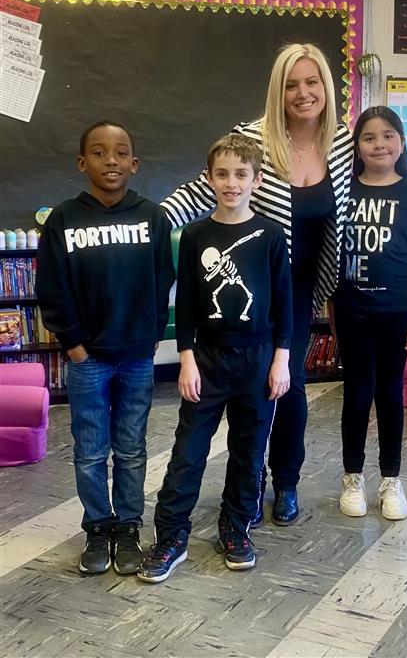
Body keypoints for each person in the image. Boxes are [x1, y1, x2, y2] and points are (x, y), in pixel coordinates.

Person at [160, 43, 353, 525]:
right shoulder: (253, 138)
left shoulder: (343, 143)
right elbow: (205, 188)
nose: (303, 93)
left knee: (289, 387)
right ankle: (251, 481)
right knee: (258, 391)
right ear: (277, 90)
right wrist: (151, 222)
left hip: (304, 288)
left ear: (325, 87)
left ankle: (285, 481)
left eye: (312, 82)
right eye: (291, 84)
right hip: (255, 285)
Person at [137, 133, 292, 582]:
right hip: (205, 358)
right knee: (188, 451)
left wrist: (281, 359)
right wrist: (185, 357)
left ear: (256, 180)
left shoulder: (269, 234)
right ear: (209, 179)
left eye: (241, 174)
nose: (231, 183)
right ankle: (171, 537)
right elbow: (184, 301)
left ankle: (236, 526)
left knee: (248, 451)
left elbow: (283, 301)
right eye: (221, 174)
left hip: (259, 359)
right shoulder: (195, 236)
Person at [35, 121, 175, 575]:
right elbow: (52, 287)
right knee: (91, 449)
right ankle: (98, 527)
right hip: (87, 358)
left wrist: (153, 332)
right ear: (82, 162)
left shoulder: (152, 216)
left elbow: (162, 280)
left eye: (120, 153)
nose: (110, 160)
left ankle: (129, 526)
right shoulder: (63, 219)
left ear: (134, 163)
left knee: (132, 449)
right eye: (99, 152)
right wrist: (73, 344)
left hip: (135, 354)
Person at [330, 106, 407, 520]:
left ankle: (390, 478)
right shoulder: (343, 190)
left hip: (399, 312)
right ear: (356, 146)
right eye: (370, 137)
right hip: (353, 311)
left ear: (402, 142)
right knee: (357, 393)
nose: (380, 144)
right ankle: (352, 476)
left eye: (388, 135)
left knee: (390, 393)